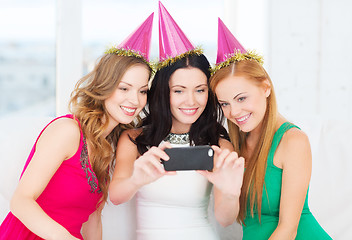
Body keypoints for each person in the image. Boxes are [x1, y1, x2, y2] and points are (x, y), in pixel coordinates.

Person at [0, 13, 154, 240]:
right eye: (124, 88)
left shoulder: (108, 147)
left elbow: (93, 221)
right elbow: (21, 202)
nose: (135, 100)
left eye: (142, 91)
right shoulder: (67, 130)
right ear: (105, 86)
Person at [108, 2, 244, 240]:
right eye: (179, 91)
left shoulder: (219, 145)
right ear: (163, 92)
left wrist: (231, 192)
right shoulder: (133, 139)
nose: (191, 101)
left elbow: (225, 219)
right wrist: (137, 179)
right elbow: (116, 196)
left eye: (200, 90)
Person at [209, 18, 332, 240]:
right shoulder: (232, 144)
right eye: (225, 104)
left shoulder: (292, 140)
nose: (234, 112)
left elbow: (288, 229)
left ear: (265, 87)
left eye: (241, 98)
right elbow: (226, 218)